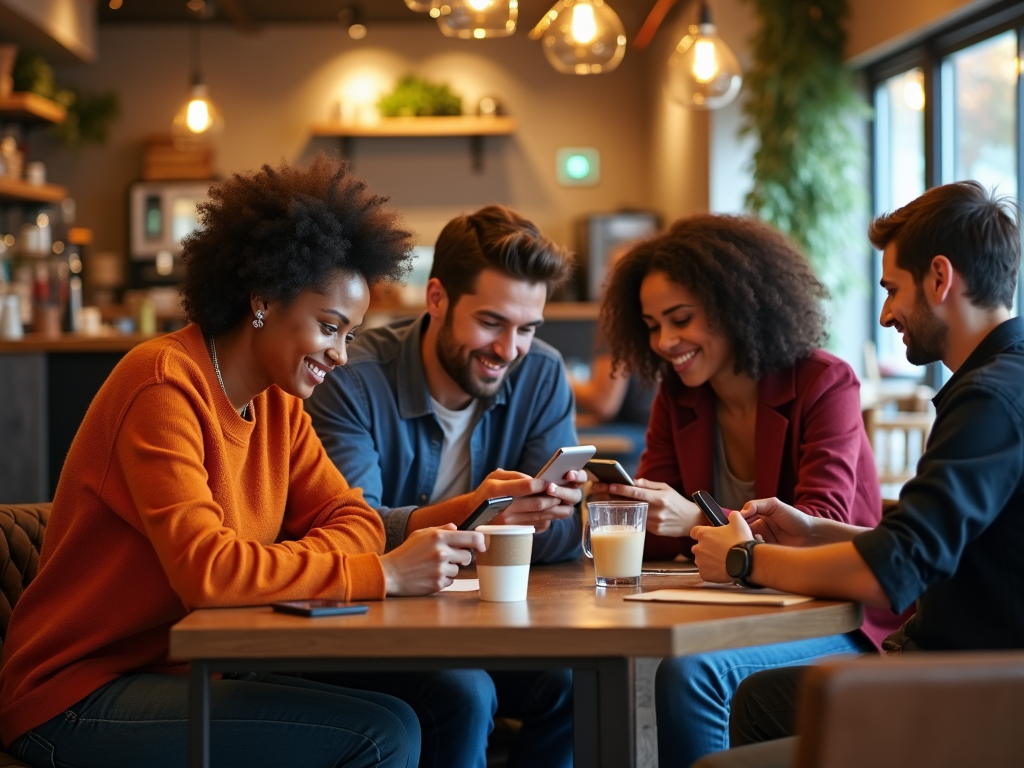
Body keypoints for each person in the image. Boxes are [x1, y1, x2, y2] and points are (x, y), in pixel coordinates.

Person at [0, 156, 487, 768]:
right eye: (329, 327)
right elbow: (209, 575)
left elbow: (353, 518)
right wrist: (381, 575)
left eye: (350, 335)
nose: (339, 354)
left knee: (450, 695)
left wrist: (278, 564)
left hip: (201, 663)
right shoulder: (163, 385)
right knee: (381, 733)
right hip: (78, 692)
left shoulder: (277, 404)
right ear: (263, 299)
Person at [688, 181, 1023, 766]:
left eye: (893, 289)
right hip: (963, 671)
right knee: (756, 697)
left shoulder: (990, 401)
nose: (887, 311)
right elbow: (941, 548)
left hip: (972, 696)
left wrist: (746, 561)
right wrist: (814, 532)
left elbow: (898, 568)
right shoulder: (1001, 383)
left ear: (940, 278)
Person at [593, 214, 907, 767]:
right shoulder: (680, 396)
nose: (665, 342)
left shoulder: (822, 381)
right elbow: (662, 542)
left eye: (681, 319)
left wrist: (690, 518)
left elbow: (817, 521)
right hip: (731, 610)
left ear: (737, 304)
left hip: (839, 617)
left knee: (690, 676)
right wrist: (625, 505)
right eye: (651, 325)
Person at [306, 204, 581, 768]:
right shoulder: (349, 378)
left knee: (578, 678)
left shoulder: (542, 373)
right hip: (381, 625)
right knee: (464, 690)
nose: (509, 350)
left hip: (489, 622)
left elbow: (565, 537)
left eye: (526, 328)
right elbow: (354, 531)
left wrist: (548, 513)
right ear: (436, 299)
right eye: (491, 322)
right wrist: (487, 514)